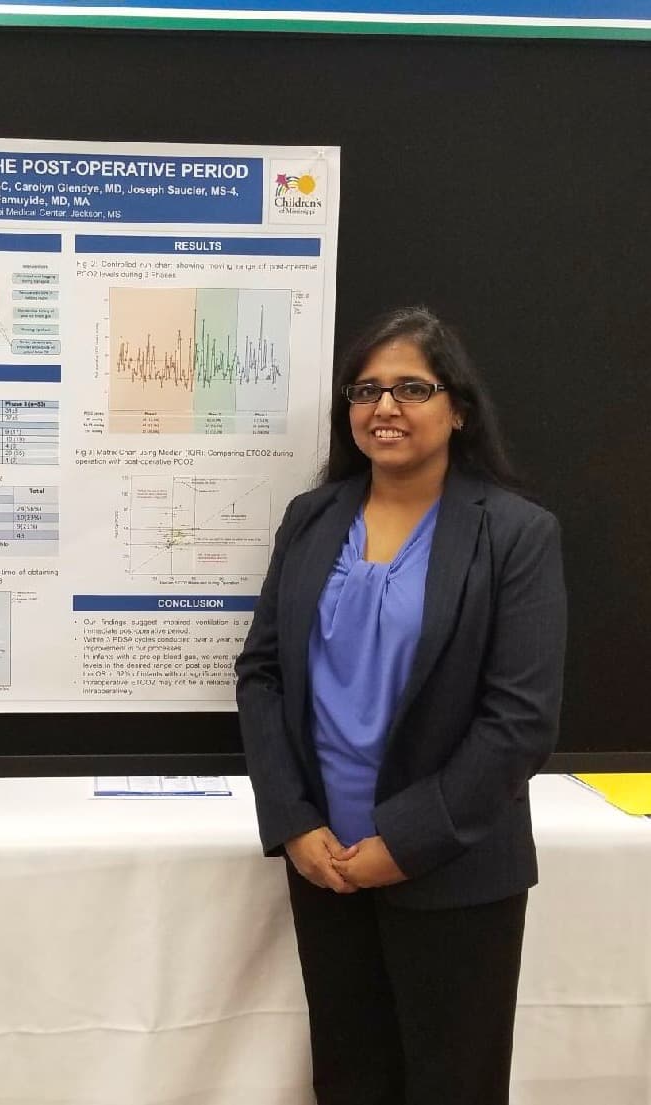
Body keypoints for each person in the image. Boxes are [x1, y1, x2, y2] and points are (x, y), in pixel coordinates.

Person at [235, 306, 566, 1105]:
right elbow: (262, 673)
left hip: (452, 870)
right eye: (366, 389)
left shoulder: (516, 534)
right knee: (351, 1081)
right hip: (326, 866)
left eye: (411, 387)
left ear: (457, 408)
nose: (384, 406)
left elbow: (520, 720)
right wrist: (293, 821)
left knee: (453, 1085)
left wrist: (404, 841)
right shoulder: (311, 519)